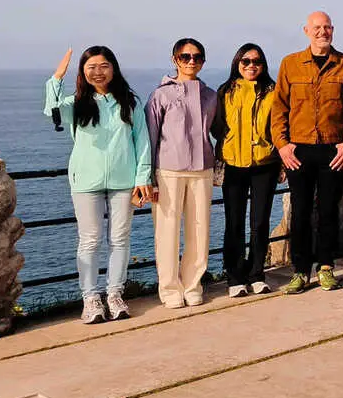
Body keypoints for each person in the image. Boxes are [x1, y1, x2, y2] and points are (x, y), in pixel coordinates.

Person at [44, 46, 153, 324]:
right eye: (91, 67)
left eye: (104, 65)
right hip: (86, 181)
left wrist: (142, 178)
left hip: (124, 180)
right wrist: (57, 77)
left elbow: (141, 142)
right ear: (83, 72)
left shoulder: (129, 102)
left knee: (119, 239)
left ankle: (115, 294)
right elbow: (52, 110)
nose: (98, 72)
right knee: (90, 240)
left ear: (113, 68)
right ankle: (91, 298)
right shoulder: (76, 103)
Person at [272, 11, 343, 294]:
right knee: (299, 212)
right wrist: (282, 145)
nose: (321, 32)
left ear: (333, 30)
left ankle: (325, 268)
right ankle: (300, 271)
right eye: (316, 27)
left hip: (333, 150)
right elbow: (279, 109)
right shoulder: (290, 64)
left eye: (326, 27)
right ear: (306, 31)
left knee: (328, 212)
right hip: (298, 150)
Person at [145, 38, 217, 309]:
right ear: (175, 59)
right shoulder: (160, 95)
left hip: (202, 169)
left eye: (197, 57)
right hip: (168, 170)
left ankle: (192, 284)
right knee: (167, 230)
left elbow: (218, 129)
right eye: (185, 56)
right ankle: (169, 288)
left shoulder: (210, 95)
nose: (191, 61)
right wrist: (148, 176)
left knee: (200, 229)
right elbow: (150, 137)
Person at [210, 43, 281, 298]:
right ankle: (235, 276)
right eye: (246, 61)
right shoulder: (225, 91)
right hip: (233, 164)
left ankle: (257, 274)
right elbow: (217, 126)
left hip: (265, 164)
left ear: (263, 65)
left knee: (260, 222)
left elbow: (281, 125)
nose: (251, 66)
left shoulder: (273, 91)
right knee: (234, 223)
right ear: (237, 63)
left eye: (257, 61)